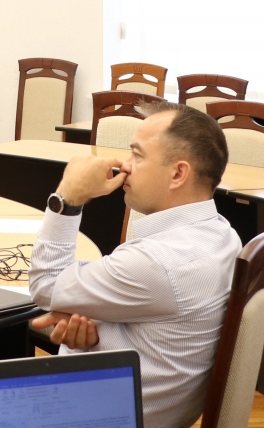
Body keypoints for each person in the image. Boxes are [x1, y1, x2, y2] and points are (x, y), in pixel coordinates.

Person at [29, 101, 240, 428]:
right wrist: (95, 332)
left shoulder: (159, 262)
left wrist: (67, 198)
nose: (124, 166)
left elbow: (46, 286)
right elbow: (161, 333)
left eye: (137, 155)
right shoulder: (223, 235)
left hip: (97, 413)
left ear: (178, 173)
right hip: (130, 400)